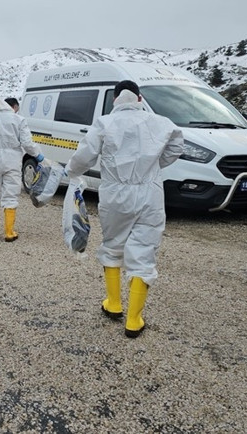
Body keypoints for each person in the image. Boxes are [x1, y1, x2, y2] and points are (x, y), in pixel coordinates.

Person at [64, 80, 184, 338]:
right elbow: (176, 146)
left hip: (115, 193)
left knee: (113, 244)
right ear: (139, 98)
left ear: (115, 99)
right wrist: (154, 163)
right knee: (144, 249)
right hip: (149, 191)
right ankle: (134, 320)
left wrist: (71, 172)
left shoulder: (105, 123)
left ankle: (114, 304)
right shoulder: (160, 122)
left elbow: (85, 155)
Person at [0, 97, 43, 242]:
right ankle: (9, 232)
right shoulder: (19, 120)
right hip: (12, 160)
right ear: (12, 107)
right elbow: (26, 142)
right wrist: (37, 155)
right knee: (10, 193)